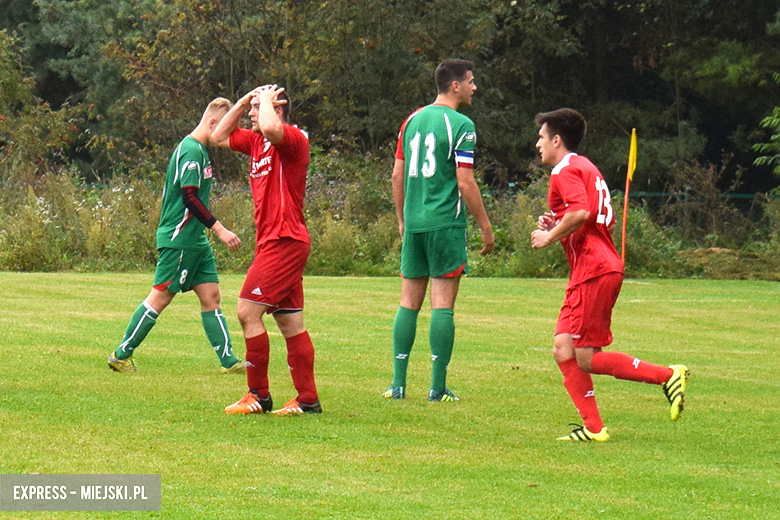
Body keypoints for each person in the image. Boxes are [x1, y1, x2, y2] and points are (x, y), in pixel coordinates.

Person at [530, 108, 689, 441]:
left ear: (557, 140)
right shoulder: (585, 166)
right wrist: (556, 224)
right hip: (592, 269)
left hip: (594, 269)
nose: (537, 144)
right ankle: (594, 429)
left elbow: (581, 212)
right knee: (563, 347)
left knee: (586, 357)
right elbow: (601, 219)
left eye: (542, 137)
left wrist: (550, 235)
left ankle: (666, 375)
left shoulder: (565, 170)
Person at [384, 59, 494, 402]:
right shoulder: (462, 125)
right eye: (471, 82)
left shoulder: (412, 121)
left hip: (415, 224)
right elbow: (465, 181)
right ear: (456, 85)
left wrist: (403, 220)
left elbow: (397, 176)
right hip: (445, 223)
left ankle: (398, 385)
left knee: (407, 303)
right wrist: (486, 227)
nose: (475, 87)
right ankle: (437, 388)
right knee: (442, 305)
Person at [108, 98, 245, 374]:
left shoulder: (201, 150)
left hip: (196, 241)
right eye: (226, 128)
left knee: (212, 297)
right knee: (160, 297)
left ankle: (229, 362)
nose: (227, 136)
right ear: (213, 124)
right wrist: (219, 229)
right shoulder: (191, 150)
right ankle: (120, 354)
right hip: (179, 238)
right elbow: (189, 196)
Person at [211, 84, 321, 415]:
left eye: (257, 108)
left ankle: (258, 394)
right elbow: (218, 135)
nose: (252, 114)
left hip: (285, 241)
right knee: (290, 323)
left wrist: (268, 104)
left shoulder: (292, 139)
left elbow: (273, 127)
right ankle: (308, 400)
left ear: (278, 108)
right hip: (272, 242)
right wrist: (246, 100)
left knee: (247, 312)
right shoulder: (256, 142)